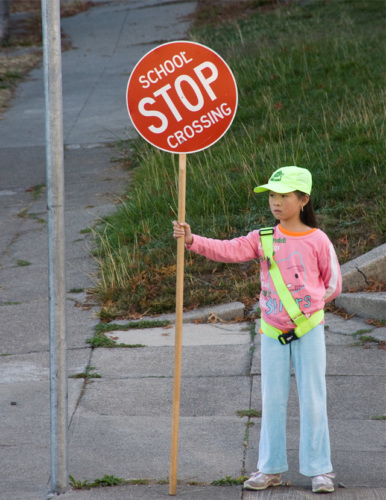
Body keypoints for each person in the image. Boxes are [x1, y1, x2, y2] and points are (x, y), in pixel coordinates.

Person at [173, 166, 342, 494]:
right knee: (273, 399)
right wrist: (193, 240)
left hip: (309, 330)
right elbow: (229, 249)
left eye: (284, 196)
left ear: (304, 199)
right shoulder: (264, 238)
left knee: (313, 398)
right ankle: (270, 468)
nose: (276, 203)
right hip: (272, 331)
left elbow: (333, 283)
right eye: (272, 196)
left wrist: (309, 308)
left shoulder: (318, 240)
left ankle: (320, 470)